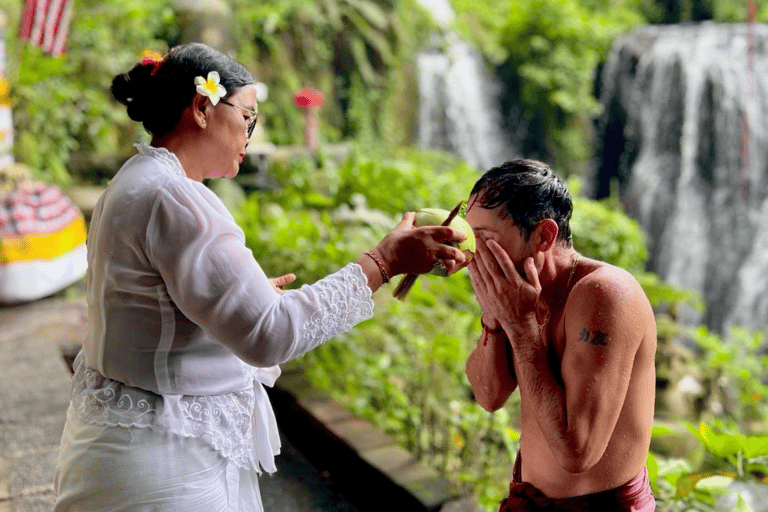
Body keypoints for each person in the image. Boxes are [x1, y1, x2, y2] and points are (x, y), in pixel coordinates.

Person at [53, 42, 467, 512]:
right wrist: (383, 262)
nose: (251, 134)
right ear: (202, 108)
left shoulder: (135, 181)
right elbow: (270, 335)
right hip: (168, 465)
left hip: (123, 449)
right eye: (248, 117)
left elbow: (149, 306)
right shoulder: (179, 200)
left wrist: (242, 298)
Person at [464, 159, 656, 511]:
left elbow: (577, 451)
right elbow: (489, 396)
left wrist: (521, 329)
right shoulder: (520, 295)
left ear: (544, 236)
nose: (471, 255)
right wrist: (493, 317)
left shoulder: (605, 294)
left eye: (485, 241)